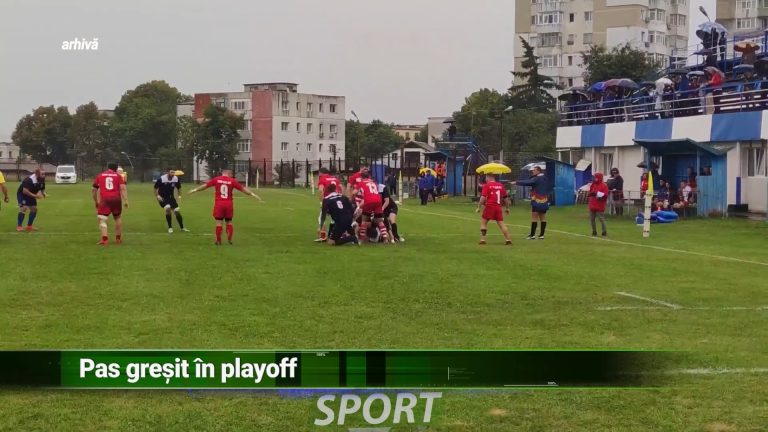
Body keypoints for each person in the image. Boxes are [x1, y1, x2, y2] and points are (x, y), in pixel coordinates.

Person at [188, 169, 262, 245]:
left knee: (219, 222)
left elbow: (205, 186)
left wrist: (194, 190)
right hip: (229, 204)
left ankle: (218, 241)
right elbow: (243, 189)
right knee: (229, 222)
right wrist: (253, 195)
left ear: (223, 173)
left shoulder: (217, 179)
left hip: (219, 204)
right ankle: (229, 238)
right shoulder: (232, 181)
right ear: (229, 174)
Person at [92, 163, 128, 245]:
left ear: (108, 168)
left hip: (105, 200)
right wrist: (126, 200)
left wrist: (96, 201)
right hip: (116, 199)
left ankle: (105, 240)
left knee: (102, 219)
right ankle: (118, 239)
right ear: (116, 169)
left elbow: (94, 190)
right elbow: (123, 188)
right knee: (117, 217)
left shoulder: (100, 175)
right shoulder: (118, 176)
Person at [512, 166, 550, 240]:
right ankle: (541, 235)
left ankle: (532, 235)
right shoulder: (545, 178)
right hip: (544, 200)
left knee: (534, 217)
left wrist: (516, 182)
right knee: (543, 218)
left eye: (534, 170)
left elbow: (528, 182)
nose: (533, 171)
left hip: (537, 200)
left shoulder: (537, 178)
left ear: (538, 171)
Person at [475, 173, 512, 245]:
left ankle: (482, 239)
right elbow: (505, 198)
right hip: (498, 207)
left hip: (489, 206)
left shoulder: (487, 185)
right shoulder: (500, 185)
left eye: (486, 177)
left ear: (489, 177)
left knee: (483, 223)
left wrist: (479, 207)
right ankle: (508, 239)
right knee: (501, 224)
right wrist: (507, 208)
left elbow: (483, 197)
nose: (485, 179)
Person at [353, 172, 389, 243]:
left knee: (364, 220)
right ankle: (385, 239)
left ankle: (361, 238)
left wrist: (354, 196)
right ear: (368, 177)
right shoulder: (373, 183)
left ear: (362, 177)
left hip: (369, 201)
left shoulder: (361, 182)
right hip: (378, 201)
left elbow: (354, 192)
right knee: (380, 221)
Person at [155, 169, 188, 233]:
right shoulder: (161, 179)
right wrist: (158, 196)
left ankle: (182, 228)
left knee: (177, 211)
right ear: (168, 172)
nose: (172, 174)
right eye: (171, 172)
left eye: (173, 172)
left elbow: (179, 188)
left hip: (171, 198)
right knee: (168, 208)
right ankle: (170, 228)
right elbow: (155, 188)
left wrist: (179, 196)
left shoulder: (175, 179)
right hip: (163, 198)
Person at [316, 167, 341, 241]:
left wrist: (322, 202)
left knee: (321, 218)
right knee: (334, 218)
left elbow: (321, 191)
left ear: (321, 172)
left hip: (328, 201)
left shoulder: (322, 179)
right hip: (337, 200)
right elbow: (340, 187)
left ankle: (323, 236)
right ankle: (336, 234)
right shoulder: (334, 178)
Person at [587, 172, 609, 237]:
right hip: (592, 204)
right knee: (592, 219)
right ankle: (594, 231)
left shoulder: (604, 186)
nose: (594, 178)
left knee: (601, 219)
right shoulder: (593, 184)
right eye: (594, 177)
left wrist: (597, 194)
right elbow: (590, 192)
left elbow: (605, 195)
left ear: (599, 178)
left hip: (599, 205)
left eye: (595, 177)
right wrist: (590, 194)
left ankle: (604, 232)